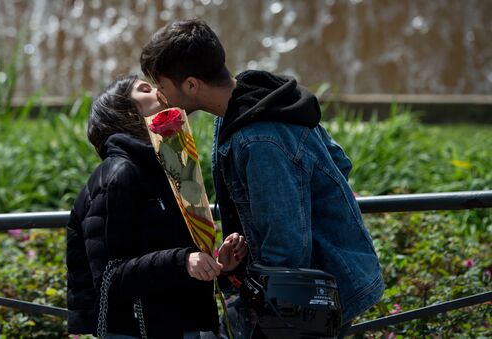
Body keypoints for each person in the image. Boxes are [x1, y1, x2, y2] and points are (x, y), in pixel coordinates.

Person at [140, 18, 384, 331]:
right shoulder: (253, 101)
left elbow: (286, 247)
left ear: (191, 85)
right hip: (313, 285)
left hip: (306, 298)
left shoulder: (258, 138)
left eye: (162, 85)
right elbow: (339, 161)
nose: (160, 95)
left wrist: (268, 319)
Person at [66, 74, 247, 339]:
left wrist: (218, 267)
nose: (159, 91)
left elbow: (172, 265)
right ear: (128, 114)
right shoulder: (117, 174)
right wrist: (183, 260)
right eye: (145, 89)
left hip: (182, 326)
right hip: (137, 330)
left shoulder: (173, 169)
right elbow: (109, 278)